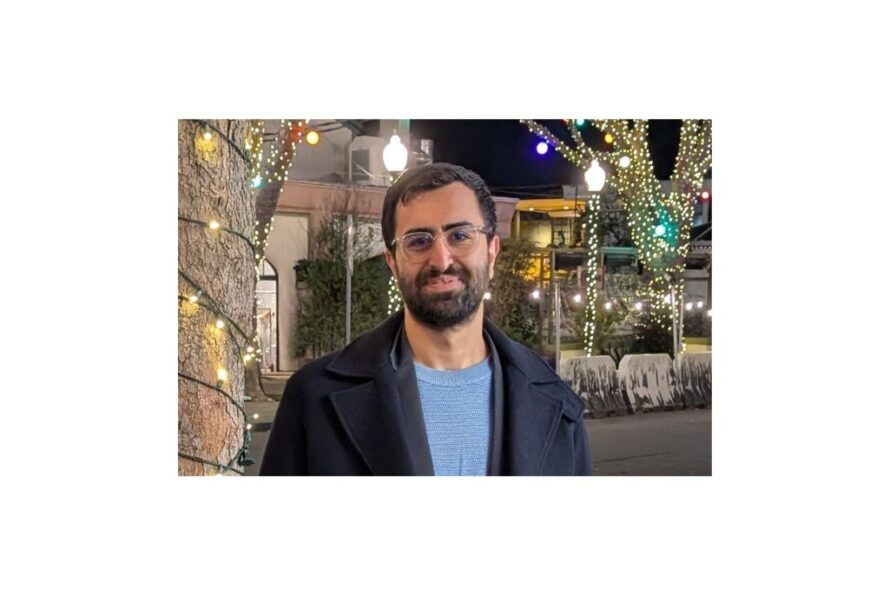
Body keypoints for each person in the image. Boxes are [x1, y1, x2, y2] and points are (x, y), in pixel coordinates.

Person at [260, 163, 592, 475]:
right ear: (392, 261)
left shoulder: (557, 401)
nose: (441, 259)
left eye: (460, 236)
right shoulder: (312, 400)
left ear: (492, 252)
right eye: (418, 241)